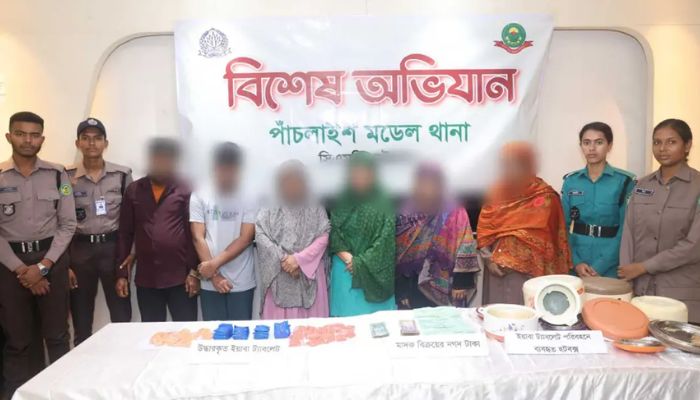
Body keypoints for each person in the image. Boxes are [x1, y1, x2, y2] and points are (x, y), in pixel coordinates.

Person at [0, 112, 76, 397]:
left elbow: (68, 224)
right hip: (9, 265)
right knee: (17, 341)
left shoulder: (58, 174)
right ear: (9, 136)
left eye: (34, 135)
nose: (28, 140)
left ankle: (61, 393)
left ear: (42, 139)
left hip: (51, 259)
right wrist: (22, 270)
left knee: (57, 337)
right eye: (21, 134)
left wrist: (42, 267)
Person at [619, 119, 700, 322]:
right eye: (657, 142)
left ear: (687, 145)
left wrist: (644, 267)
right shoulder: (642, 185)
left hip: (681, 295)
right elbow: (628, 233)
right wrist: (627, 276)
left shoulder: (697, 187)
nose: (662, 148)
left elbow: (694, 246)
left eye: (671, 142)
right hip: (641, 292)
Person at [477, 142, 572, 305]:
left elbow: (554, 241)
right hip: (495, 273)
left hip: (529, 276)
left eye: (515, 164)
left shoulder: (546, 197)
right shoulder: (496, 193)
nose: (509, 169)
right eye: (505, 164)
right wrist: (488, 260)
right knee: (496, 314)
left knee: (524, 315)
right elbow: (484, 231)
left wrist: (520, 261)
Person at [116, 138, 199, 322]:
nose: (161, 163)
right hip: (147, 279)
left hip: (181, 279)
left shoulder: (185, 189)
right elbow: (125, 233)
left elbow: (193, 233)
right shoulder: (134, 190)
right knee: (151, 333)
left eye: (166, 158)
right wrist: (121, 274)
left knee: (185, 331)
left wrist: (194, 272)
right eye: (157, 158)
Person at [66, 118, 133, 345]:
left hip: (113, 250)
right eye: (85, 138)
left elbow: (130, 221)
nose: (91, 143)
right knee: (81, 317)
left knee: (121, 315)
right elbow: (60, 221)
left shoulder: (121, 175)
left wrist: (127, 259)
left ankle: (124, 359)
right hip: (80, 251)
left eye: (97, 138)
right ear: (78, 143)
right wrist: (66, 264)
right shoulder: (65, 177)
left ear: (106, 143)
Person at [395, 163, 480, 309]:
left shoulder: (454, 210)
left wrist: (461, 283)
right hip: (411, 286)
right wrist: (401, 291)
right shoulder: (407, 210)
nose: (428, 188)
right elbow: (399, 254)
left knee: (441, 321)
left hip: (446, 285)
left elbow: (466, 246)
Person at [190, 142, 256, 321]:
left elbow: (246, 237)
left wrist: (213, 265)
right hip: (209, 282)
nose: (227, 174)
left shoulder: (249, 195)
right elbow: (197, 237)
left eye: (231, 169)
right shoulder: (200, 194)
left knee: (241, 333)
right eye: (222, 169)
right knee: (213, 333)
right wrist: (214, 275)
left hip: (241, 279)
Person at [256, 160, 330, 319]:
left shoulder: (314, 205)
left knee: (312, 331)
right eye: (287, 181)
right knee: (280, 330)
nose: (292, 186)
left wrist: (299, 260)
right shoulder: (270, 206)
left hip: (309, 275)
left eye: (296, 181)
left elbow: (324, 234)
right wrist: (285, 260)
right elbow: (260, 234)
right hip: (279, 274)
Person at [562, 122, 635, 278]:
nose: (592, 148)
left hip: (610, 263)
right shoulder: (571, 181)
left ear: (609, 146)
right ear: (581, 146)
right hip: (576, 261)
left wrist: (601, 265)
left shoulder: (624, 181)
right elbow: (562, 227)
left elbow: (626, 230)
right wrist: (576, 262)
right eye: (586, 143)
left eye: (599, 142)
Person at [329, 151, 396, 316]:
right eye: (355, 173)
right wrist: (350, 260)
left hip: (375, 269)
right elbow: (333, 232)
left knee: (377, 326)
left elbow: (386, 240)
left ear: (373, 175)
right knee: (346, 324)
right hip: (345, 268)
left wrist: (361, 263)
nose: (359, 179)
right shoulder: (342, 199)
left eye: (364, 174)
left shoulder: (384, 201)